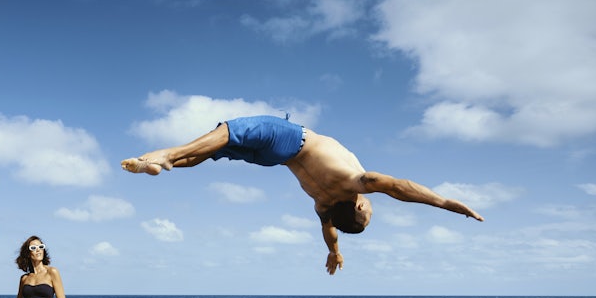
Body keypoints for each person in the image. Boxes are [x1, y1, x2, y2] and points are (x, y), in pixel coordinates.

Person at [122, 115, 484, 274]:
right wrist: (335, 253)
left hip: (290, 140)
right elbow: (328, 230)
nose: (373, 205)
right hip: (274, 160)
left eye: (371, 210)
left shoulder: (358, 181)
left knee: (229, 131)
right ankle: (155, 164)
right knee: (212, 152)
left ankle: (166, 155)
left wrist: (448, 204)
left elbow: (402, 188)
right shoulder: (323, 203)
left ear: (359, 203)